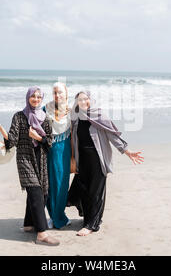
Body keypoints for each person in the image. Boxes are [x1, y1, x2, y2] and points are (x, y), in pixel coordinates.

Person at [0, 86, 60, 246]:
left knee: (42, 193)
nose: (36, 99)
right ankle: (42, 234)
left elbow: (49, 142)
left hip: (41, 160)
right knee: (36, 192)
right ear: (28, 97)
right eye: (33, 96)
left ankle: (29, 224)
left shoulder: (46, 118)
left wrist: (37, 137)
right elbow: (12, 141)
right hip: (25, 159)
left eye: (38, 97)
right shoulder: (19, 116)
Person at [67, 90, 144, 236]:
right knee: (83, 190)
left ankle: (91, 225)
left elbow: (112, 135)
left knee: (95, 192)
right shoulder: (75, 117)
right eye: (79, 100)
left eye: (85, 99)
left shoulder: (100, 115)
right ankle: (89, 220)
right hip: (82, 160)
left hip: (97, 159)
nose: (83, 102)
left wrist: (127, 151)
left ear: (91, 99)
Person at [42, 82, 73, 229]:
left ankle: (59, 216)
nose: (57, 95)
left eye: (60, 92)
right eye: (54, 92)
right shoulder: (45, 109)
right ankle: (52, 216)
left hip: (65, 151)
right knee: (49, 184)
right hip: (48, 150)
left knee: (61, 184)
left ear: (66, 93)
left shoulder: (72, 111)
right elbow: (32, 125)